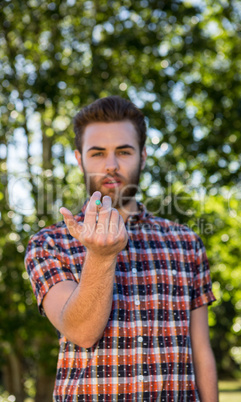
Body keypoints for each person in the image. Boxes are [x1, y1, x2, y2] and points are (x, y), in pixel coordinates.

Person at [25, 96, 218, 402]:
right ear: (79, 159)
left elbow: (201, 350)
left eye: (124, 152)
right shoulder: (49, 243)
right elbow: (82, 332)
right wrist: (101, 256)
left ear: (142, 157)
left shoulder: (186, 242)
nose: (111, 165)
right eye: (98, 153)